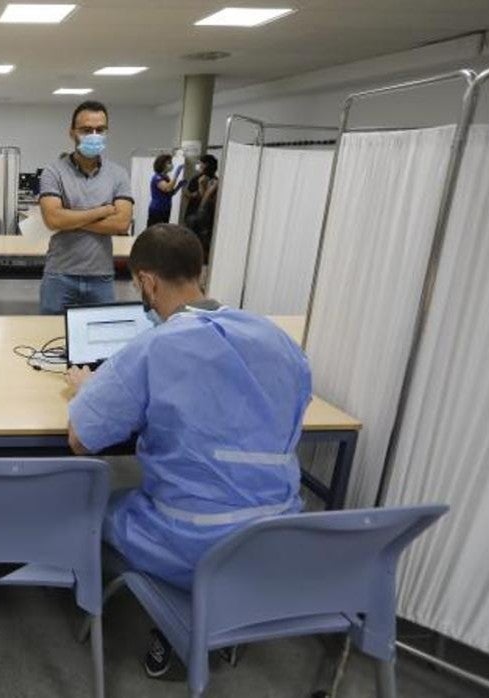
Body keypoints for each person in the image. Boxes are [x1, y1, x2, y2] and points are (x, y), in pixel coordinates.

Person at [65, 223, 311, 678]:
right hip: (278, 531)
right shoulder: (275, 338)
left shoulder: (154, 347)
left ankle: (176, 614)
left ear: (147, 282)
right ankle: (226, 609)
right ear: (200, 272)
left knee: (98, 509)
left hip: (193, 540)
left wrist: (88, 387)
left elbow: (81, 440)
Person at [37, 100, 134, 314]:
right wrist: (101, 211)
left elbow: (121, 223)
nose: (94, 134)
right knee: (48, 336)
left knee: (100, 341)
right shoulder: (53, 172)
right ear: (72, 133)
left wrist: (70, 219)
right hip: (60, 273)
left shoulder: (118, 174)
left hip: (101, 274)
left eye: (100, 129)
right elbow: (53, 220)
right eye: (86, 129)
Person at [184, 154, 220, 258]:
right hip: (194, 213)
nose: (199, 165)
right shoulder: (197, 178)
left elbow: (205, 199)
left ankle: (197, 259)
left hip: (204, 216)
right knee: (194, 239)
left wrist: (201, 189)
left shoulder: (214, 181)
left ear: (207, 165)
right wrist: (193, 195)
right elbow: (188, 194)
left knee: (200, 240)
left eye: (201, 163)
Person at [148, 154, 184, 226]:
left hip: (166, 209)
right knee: (155, 231)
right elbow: (167, 188)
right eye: (169, 163)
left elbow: (170, 193)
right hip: (157, 209)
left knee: (164, 230)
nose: (171, 165)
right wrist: (176, 175)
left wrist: (179, 186)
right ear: (162, 164)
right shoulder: (157, 177)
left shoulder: (166, 178)